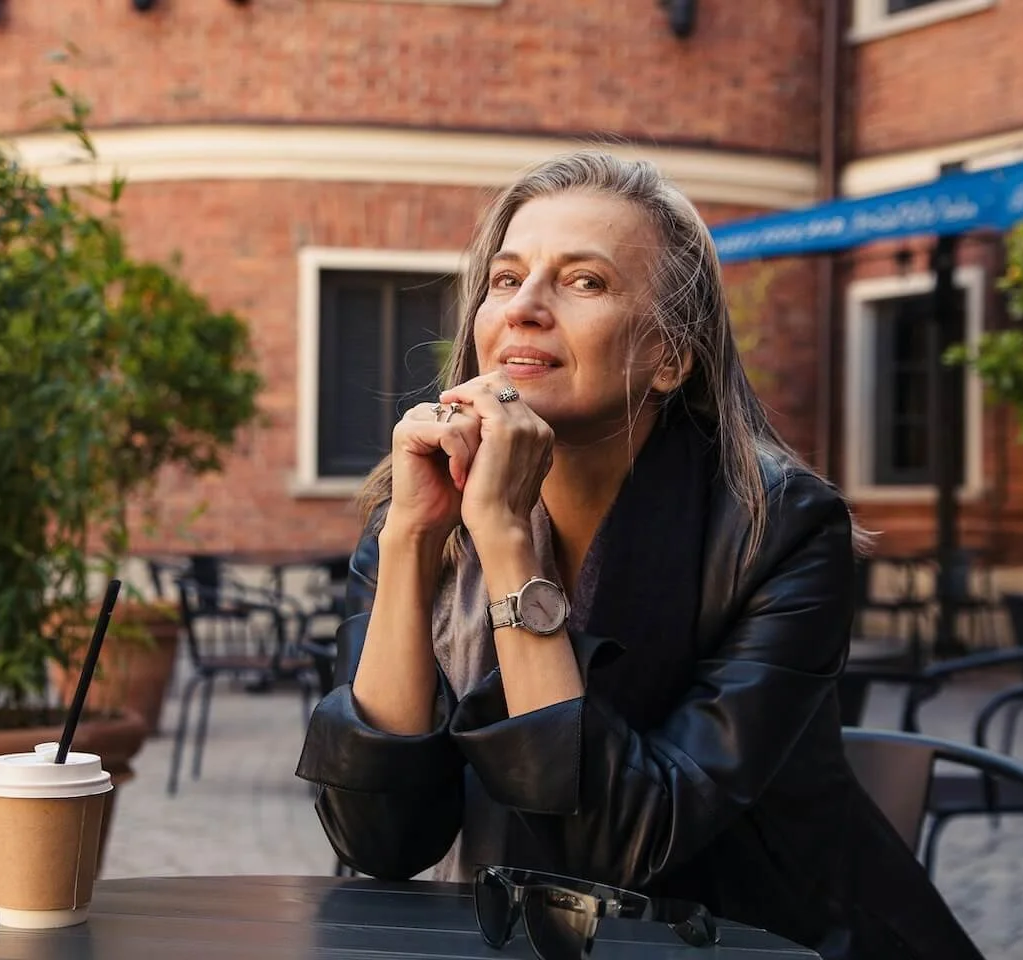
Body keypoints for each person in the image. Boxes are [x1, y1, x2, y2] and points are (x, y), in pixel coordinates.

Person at [296, 151, 984, 960]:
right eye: (507, 278)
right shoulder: (419, 506)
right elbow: (377, 838)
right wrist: (411, 541)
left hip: (740, 941)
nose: (525, 309)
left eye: (584, 281)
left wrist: (511, 546)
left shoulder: (782, 528)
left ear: (670, 357)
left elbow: (621, 849)